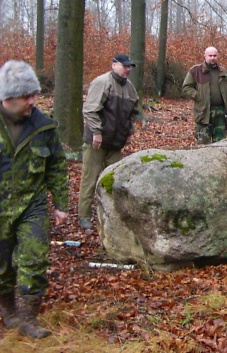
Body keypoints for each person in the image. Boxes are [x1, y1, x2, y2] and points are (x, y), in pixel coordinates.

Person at [0, 60, 69, 339]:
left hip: (33, 204)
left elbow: (56, 165)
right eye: (27, 95)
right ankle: (9, 310)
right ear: (8, 98)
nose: (33, 100)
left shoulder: (44, 126)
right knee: (3, 264)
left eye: (34, 94)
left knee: (34, 258)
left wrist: (61, 204)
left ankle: (28, 317)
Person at [78, 54, 139, 230]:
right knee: (90, 180)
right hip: (96, 142)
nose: (128, 69)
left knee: (114, 182)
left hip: (116, 143)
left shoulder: (130, 88)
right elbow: (90, 110)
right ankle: (84, 216)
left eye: (130, 67)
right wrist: (96, 132)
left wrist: (129, 132)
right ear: (114, 65)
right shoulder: (102, 82)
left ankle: (112, 217)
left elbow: (133, 113)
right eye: (125, 66)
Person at [182, 46, 227, 144]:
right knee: (203, 144)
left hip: (221, 112)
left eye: (215, 55)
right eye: (210, 55)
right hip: (203, 112)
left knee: (220, 143)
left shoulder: (223, 72)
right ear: (205, 56)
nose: (212, 58)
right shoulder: (196, 71)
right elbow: (186, 87)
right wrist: (198, 96)